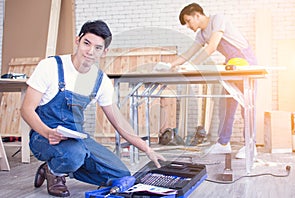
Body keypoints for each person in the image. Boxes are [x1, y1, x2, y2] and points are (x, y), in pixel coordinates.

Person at [20, 20, 165, 197]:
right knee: (74, 155)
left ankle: (56, 165)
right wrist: (46, 132)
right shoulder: (50, 66)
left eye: (97, 48)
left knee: (121, 175)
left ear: (104, 52)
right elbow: (26, 109)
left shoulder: (99, 80)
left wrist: (147, 149)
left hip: (76, 137)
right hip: (43, 136)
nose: (90, 51)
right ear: (77, 41)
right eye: (86, 43)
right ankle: (55, 171)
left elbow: (119, 123)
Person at [167, 3, 258, 158]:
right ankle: (223, 143)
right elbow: (188, 53)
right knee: (227, 106)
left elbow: (212, 46)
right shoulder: (201, 34)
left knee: (247, 106)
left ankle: (251, 146)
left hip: (245, 62)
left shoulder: (218, 19)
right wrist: (169, 65)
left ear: (197, 15)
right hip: (232, 64)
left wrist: (191, 67)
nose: (188, 25)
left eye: (189, 21)